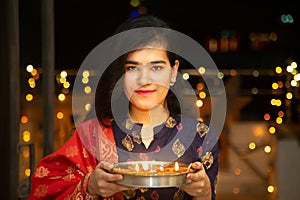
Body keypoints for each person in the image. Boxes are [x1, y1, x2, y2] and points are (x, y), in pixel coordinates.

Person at [28, 15, 219, 200]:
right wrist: (90, 186)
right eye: (133, 68)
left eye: (157, 67)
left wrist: (203, 194)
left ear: (173, 71)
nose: (144, 80)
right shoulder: (93, 136)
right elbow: (47, 188)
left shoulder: (201, 138)